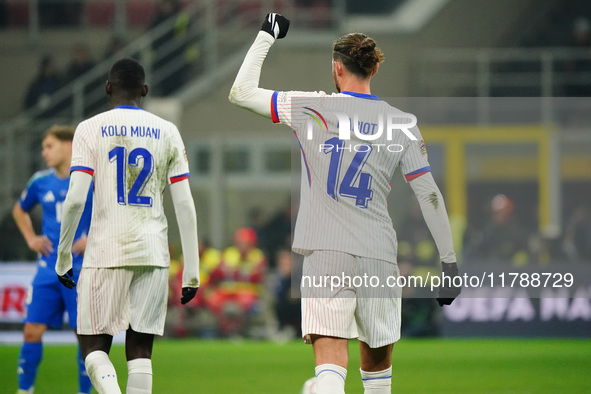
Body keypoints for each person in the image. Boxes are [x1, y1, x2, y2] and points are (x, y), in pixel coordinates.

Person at [229, 13, 462, 393]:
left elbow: (240, 93)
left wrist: (266, 35)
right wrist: (449, 261)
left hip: (327, 252)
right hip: (378, 254)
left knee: (329, 371)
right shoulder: (401, 123)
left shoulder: (312, 108)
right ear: (372, 69)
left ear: (338, 68)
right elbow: (429, 193)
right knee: (377, 378)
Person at [54, 57, 200, 394]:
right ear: (144, 90)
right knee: (140, 352)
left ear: (107, 88)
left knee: (92, 348)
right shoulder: (168, 131)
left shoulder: (89, 128)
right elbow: (185, 206)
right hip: (152, 251)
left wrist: (63, 256)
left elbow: (75, 199)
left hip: (106, 249)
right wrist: (191, 271)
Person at [13, 125, 93, 394]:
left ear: (68, 145)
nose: (44, 152)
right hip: (47, 270)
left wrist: (92, 237)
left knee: (85, 337)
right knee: (31, 331)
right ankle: (25, 390)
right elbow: (19, 210)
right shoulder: (40, 181)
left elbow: (112, 214)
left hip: (81, 270)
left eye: (49, 146)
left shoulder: (91, 179)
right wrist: (31, 239)